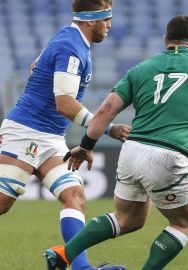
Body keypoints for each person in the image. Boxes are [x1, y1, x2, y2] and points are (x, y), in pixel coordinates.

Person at [44, 14, 188, 270]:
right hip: (169, 154)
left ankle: (62, 254)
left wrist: (86, 145)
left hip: (132, 150)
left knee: (128, 219)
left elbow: (106, 110)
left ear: (165, 40)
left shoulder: (140, 69)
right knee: (184, 222)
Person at [0, 1, 129, 270]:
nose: (110, 25)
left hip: (51, 138)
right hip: (25, 134)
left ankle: (81, 267)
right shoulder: (71, 46)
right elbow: (64, 104)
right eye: (107, 19)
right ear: (92, 20)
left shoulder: (70, 40)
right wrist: (107, 128)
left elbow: (35, 68)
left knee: (74, 195)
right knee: (2, 203)